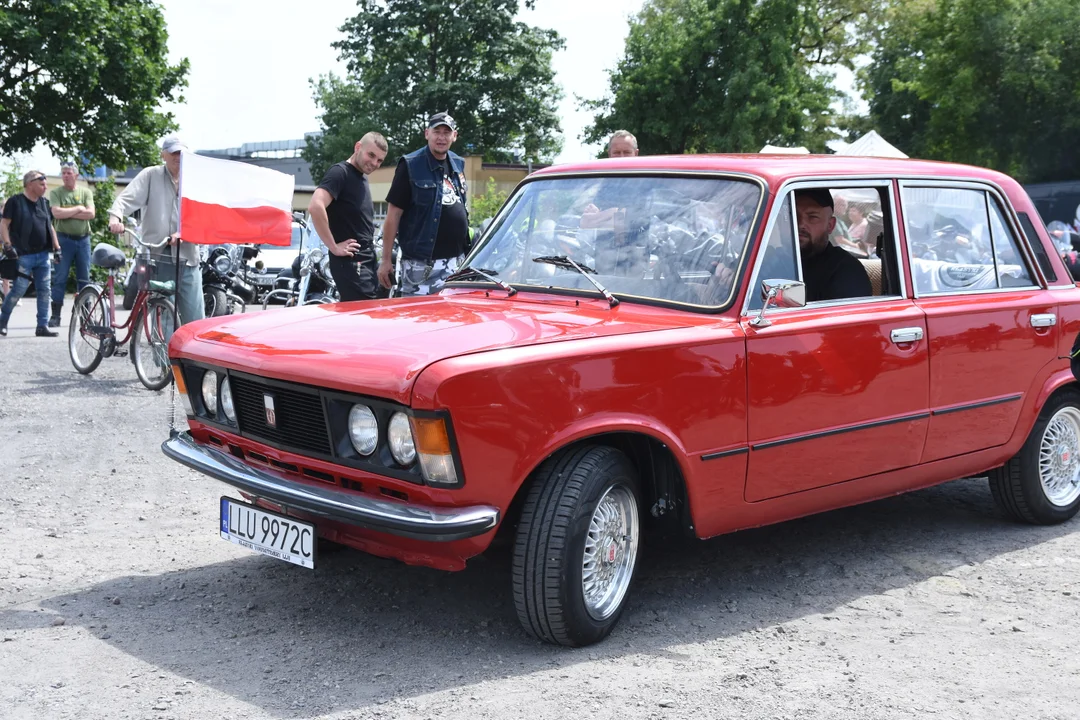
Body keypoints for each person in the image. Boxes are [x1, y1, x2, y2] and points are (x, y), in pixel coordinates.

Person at [107, 135, 203, 325]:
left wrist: (184, 232)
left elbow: (203, 214)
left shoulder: (194, 181)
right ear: (163, 155)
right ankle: (164, 356)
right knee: (164, 317)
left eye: (182, 153)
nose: (178, 157)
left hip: (188, 256)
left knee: (196, 319)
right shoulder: (151, 175)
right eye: (174, 152)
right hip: (159, 257)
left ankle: (194, 356)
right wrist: (115, 217)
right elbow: (126, 199)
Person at [378, 112, 470, 296]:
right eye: (437, 132)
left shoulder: (458, 164)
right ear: (427, 133)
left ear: (454, 136)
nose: (441, 137)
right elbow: (393, 216)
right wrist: (386, 260)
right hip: (421, 267)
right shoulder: (411, 165)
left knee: (451, 322)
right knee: (416, 321)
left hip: (456, 264)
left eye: (446, 132)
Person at [308, 132, 388, 302]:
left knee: (365, 315)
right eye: (371, 155)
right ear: (358, 147)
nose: (374, 163)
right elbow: (316, 206)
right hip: (352, 262)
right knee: (364, 315)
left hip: (366, 258)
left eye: (380, 160)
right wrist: (334, 246)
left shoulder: (361, 178)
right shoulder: (340, 172)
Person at [0, 170, 62, 337]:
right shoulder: (15, 201)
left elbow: (50, 227)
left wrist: (57, 248)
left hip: (43, 255)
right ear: (30, 184)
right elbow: (4, 224)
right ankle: (2, 321)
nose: (45, 186)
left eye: (45, 183)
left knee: (44, 291)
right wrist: (7, 245)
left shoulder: (44, 203)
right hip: (22, 255)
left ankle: (42, 326)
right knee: (18, 290)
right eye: (42, 184)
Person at [795, 188, 871, 302]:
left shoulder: (846, 270)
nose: (800, 224)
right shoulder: (771, 259)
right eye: (793, 215)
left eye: (812, 217)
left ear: (830, 225)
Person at [48, 161, 95, 327]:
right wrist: (79, 209)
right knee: (60, 278)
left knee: (84, 279)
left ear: (76, 175)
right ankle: (55, 316)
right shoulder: (56, 193)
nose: (66, 176)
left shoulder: (85, 192)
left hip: (83, 240)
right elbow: (56, 213)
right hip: (63, 240)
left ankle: (85, 316)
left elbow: (91, 214)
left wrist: (70, 212)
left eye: (69, 173)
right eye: (63, 173)